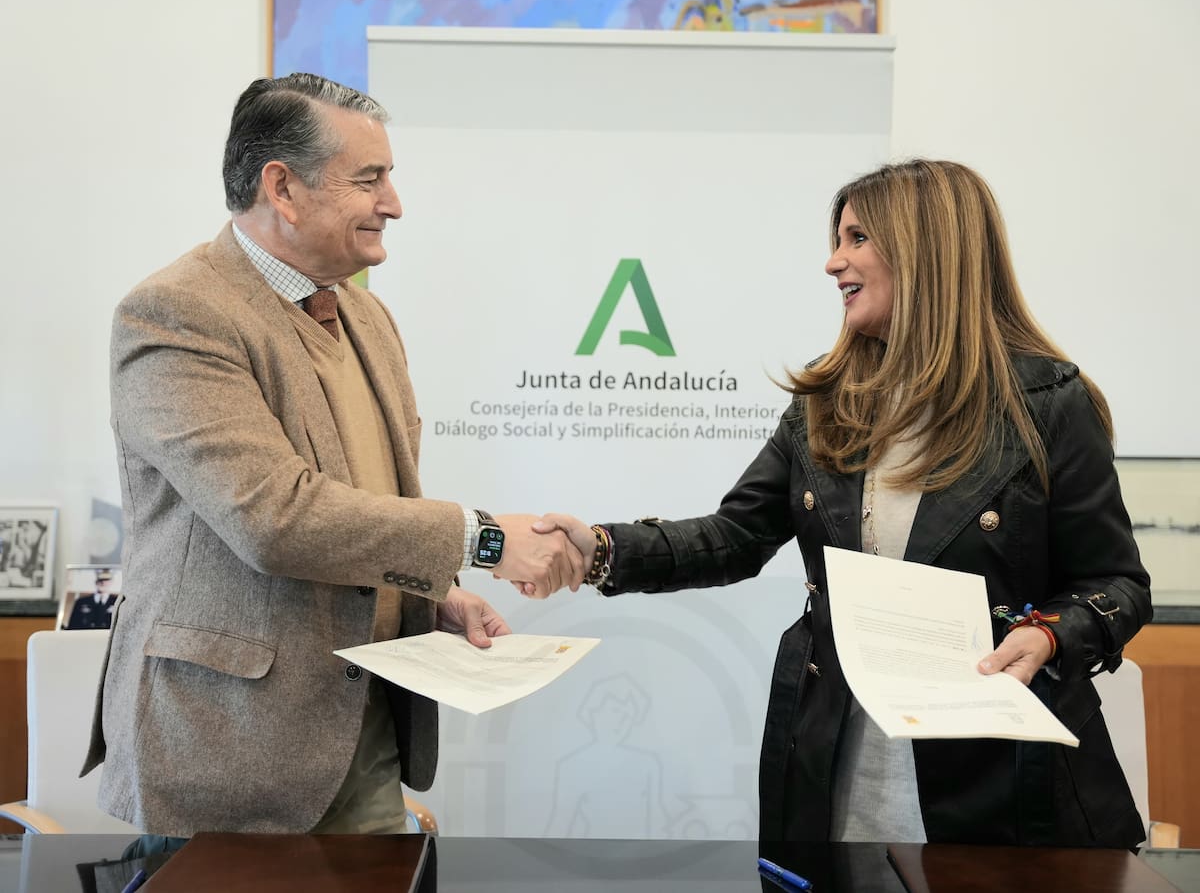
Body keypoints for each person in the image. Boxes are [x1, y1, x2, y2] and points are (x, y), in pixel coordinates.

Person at [533, 159, 1151, 848]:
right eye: (837, 240)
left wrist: (1049, 634)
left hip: (1005, 791)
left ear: (927, 250)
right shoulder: (824, 407)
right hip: (839, 779)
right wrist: (602, 550)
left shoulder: (1048, 405)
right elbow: (735, 536)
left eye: (858, 238)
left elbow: (1116, 584)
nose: (833, 263)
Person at [82, 72, 583, 838]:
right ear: (282, 188)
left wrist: (432, 592)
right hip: (226, 754)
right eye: (369, 179)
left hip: (365, 740)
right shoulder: (178, 314)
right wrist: (482, 539)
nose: (394, 203)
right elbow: (274, 518)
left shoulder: (368, 315)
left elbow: (372, 500)